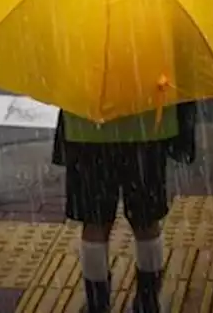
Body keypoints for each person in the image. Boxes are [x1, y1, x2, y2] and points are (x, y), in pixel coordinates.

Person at [52, 103, 197, 313]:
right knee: (146, 220)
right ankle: (148, 301)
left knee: (95, 222)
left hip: (89, 125)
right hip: (146, 122)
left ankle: (97, 304)